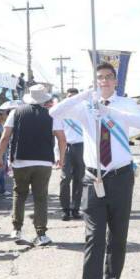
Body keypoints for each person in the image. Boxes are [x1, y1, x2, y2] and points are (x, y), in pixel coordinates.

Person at [50, 62, 140, 279]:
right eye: (99, 78)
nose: (104, 82)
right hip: (93, 178)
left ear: (115, 81)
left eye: (108, 78)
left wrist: (111, 110)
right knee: (94, 240)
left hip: (120, 176)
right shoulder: (86, 107)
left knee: (118, 238)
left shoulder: (124, 104)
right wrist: (85, 95)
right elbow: (55, 112)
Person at [0, 85, 66, 246]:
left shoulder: (16, 112)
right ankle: (41, 234)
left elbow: (5, 137)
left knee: (19, 194)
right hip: (43, 161)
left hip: (20, 160)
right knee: (40, 197)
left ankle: (17, 229)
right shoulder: (51, 114)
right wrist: (61, 158)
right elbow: (62, 139)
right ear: (44, 99)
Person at [58, 88, 87, 220]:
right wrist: (57, 154)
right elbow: (57, 135)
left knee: (79, 179)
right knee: (65, 179)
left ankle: (75, 209)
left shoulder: (84, 111)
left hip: (81, 147)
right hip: (67, 147)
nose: (72, 99)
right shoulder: (62, 112)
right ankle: (65, 209)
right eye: (70, 97)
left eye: (75, 97)